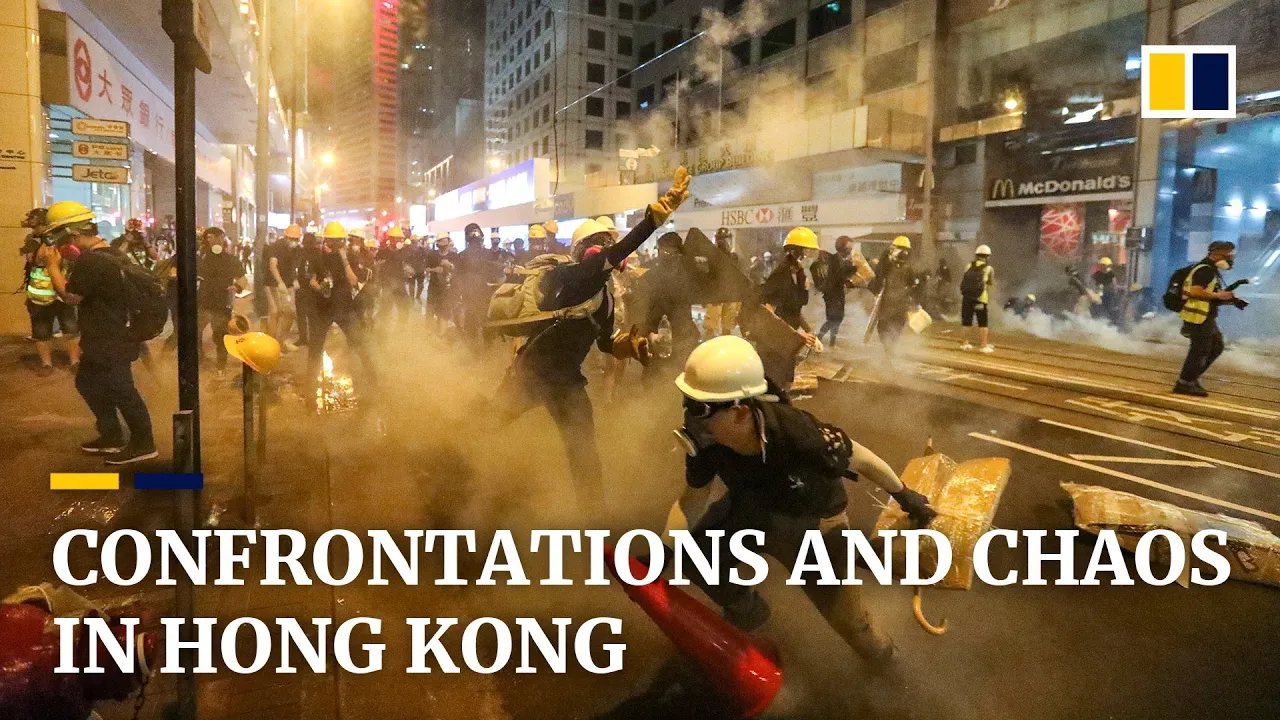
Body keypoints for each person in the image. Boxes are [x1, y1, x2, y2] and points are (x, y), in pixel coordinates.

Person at [669, 335, 935, 669]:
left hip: (811, 524)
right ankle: (747, 609)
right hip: (751, 509)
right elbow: (693, 499)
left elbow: (861, 458)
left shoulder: (797, 433)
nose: (691, 420)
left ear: (739, 412)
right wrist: (665, 545)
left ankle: (887, 664)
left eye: (700, 410)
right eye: (688, 403)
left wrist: (903, 494)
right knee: (693, 554)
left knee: (853, 625)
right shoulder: (710, 446)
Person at [496, 168, 690, 508]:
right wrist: (654, 218)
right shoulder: (569, 276)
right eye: (599, 242)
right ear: (582, 250)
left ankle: (592, 515)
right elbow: (611, 257)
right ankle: (448, 471)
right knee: (488, 424)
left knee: (583, 450)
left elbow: (603, 341)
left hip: (566, 381)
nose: (607, 248)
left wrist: (627, 345)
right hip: (531, 373)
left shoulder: (604, 295)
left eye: (609, 242)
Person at [38, 201, 156, 464]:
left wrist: (52, 266)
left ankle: (144, 444)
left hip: (110, 336)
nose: (58, 245)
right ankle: (112, 436)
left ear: (73, 235)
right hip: (109, 334)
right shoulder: (111, 253)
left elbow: (70, 296)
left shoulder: (92, 261)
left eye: (59, 238)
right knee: (87, 382)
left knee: (122, 389)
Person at [305, 222, 378, 389]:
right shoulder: (317, 256)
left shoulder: (350, 257)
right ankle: (310, 382)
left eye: (339, 241)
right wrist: (320, 287)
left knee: (359, 341)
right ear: (326, 240)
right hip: (323, 307)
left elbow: (353, 280)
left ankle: (372, 377)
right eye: (332, 241)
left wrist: (344, 258)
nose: (336, 244)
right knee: (315, 346)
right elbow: (311, 280)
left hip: (343, 306)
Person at [21, 207, 81, 374]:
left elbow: (74, 257)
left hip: (63, 293)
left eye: (36, 225)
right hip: (40, 295)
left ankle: (75, 361)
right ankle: (46, 364)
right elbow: (35, 260)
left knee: (71, 329)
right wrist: (46, 242)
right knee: (41, 331)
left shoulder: (64, 240)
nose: (33, 228)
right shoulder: (32, 240)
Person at [1174, 241, 1237, 397]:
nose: (1230, 259)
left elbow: (1207, 294)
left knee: (1216, 346)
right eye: (1227, 255)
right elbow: (1194, 291)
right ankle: (1185, 382)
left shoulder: (1211, 270)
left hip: (1205, 316)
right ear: (1214, 254)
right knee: (1200, 350)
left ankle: (1190, 378)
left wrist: (1225, 299)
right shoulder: (1205, 270)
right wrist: (1219, 295)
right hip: (1198, 317)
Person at [638, 232, 702, 384]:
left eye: (673, 253)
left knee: (683, 382)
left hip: (683, 337)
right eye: (665, 252)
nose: (669, 256)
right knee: (654, 382)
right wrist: (649, 334)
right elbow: (640, 311)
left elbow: (717, 279)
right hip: (657, 337)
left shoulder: (688, 276)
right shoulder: (649, 277)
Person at [196, 227, 247, 371]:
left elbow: (242, 279)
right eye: (209, 238)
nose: (211, 241)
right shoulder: (201, 259)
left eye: (214, 237)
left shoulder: (231, 260)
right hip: (203, 303)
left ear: (222, 238)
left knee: (221, 337)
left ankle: (221, 367)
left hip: (222, 304)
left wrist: (237, 287)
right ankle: (199, 360)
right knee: (195, 332)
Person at [815, 235, 874, 348]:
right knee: (833, 319)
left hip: (839, 293)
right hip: (831, 294)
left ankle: (832, 343)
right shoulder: (833, 259)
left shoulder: (844, 260)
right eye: (849, 248)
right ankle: (818, 339)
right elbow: (839, 274)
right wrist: (853, 270)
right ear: (842, 247)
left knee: (838, 319)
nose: (850, 250)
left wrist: (853, 276)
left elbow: (846, 274)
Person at [867, 236, 920, 355]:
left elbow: (913, 285)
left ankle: (888, 351)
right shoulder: (888, 265)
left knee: (891, 328)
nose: (903, 253)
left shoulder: (905, 268)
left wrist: (915, 302)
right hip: (891, 304)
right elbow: (878, 278)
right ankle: (888, 350)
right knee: (887, 328)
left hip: (894, 304)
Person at [454, 223, 502, 347]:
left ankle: (485, 348)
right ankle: (477, 349)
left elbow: (496, 273)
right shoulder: (462, 256)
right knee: (474, 323)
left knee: (485, 323)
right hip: (471, 295)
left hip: (485, 294)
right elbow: (457, 278)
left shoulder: (487, 254)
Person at [703, 227, 744, 337]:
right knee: (711, 326)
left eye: (725, 240)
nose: (723, 243)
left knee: (727, 326)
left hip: (729, 294)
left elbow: (739, 276)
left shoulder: (734, 257)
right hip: (715, 295)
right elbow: (706, 275)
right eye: (721, 240)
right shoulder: (711, 257)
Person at [265, 223, 301, 346]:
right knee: (276, 311)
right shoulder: (276, 246)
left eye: (296, 239)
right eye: (292, 239)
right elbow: (273, 266)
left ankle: (281, 342)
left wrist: (294, 279)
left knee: (289, 312)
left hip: (288, 283)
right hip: (272, 282)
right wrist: (280, 282)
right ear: (286, 237)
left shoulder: (296, 249)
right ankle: (271, 344)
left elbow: (294, 266)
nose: (294, 242)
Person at [959, 244, 996, 353]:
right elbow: (990, 283)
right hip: (980, 299)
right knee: (983, 323)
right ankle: (983, 345)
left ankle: (965, 343)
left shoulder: (968, 266)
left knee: (966, 322)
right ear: (987, 256)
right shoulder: (989, 268)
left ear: (976, 255)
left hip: (967, 298)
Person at [294, 231, 323, 348]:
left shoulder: (316, 254)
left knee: (310, 315)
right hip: (303, 287)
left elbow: (321, 271)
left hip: (311, 288)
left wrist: (316, 281)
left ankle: (309, 338)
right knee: (303, 314)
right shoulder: (302, 253)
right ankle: (304, 338)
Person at [425, 234, 456, 333]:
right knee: (430, 309)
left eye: (445, 242)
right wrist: (435, 269)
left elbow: (458, 269)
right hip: (433, 287)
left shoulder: (453, 256)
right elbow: (426, 269)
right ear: (437, 244)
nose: (443, 245)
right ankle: (428, 331)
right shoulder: (432, 255)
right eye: (440, 242)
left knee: (444, 311)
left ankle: (442, 333)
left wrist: (450, 265)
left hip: (447, 288)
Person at [1092, 257, 1120, 323]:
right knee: (1098, 307)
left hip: (1108, 293)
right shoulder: (1097, 274)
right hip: (1100, 293)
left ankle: (1109, 321)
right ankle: (1100, 320)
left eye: (1106, 265)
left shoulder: (1110, 273)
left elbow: (1114, 284)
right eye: (1104, 265)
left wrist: (1115, 292)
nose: (1105, 266)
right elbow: (1093, 284)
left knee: (1109, 308)